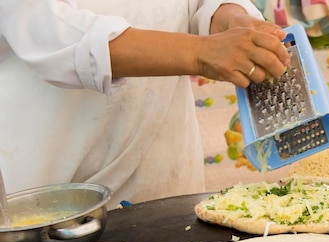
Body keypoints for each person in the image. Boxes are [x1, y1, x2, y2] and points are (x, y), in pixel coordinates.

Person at [0, 0, 291, 208]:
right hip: (51, 186)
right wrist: (201, 53)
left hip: (163, 164)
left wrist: (231, 15)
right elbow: (52, 35)